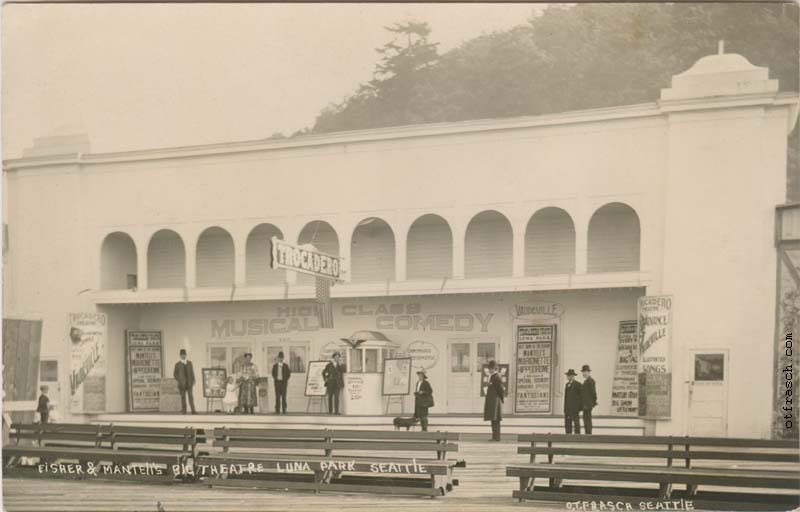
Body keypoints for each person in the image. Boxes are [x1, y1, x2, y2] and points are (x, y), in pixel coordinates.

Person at [483, 360, 504, 441]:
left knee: (496, 420)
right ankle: (494, 437)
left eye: (490, 368)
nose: (489, 370)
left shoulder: (497, 377)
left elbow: (501, 389)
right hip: (492, 402)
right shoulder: (493, 376)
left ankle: (497, 437)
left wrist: (501, 399)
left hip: (495, 401)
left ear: (494, 368)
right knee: (493, 419)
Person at [173, 349, 196, 415]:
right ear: (180, 355)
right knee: (183, 398)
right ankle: (184, 411)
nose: (183, 356)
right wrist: (179, 380)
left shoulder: (190, 363)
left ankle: (193, 411)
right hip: (182, 384)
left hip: (189, 383)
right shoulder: (177, 364)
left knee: (190, 397)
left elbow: (192, 372)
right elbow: (175, 374)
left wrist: (193, 380)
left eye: (184, 354)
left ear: (186, 355)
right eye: (182, 355)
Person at [564, 369, 582, 434]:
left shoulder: (578, 385)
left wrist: (579, 407)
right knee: (568, 423)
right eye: (567, 375)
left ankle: (577, 437)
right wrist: (565, 408)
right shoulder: (567, 385)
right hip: (568, 408)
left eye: (569, 375)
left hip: (575, 408)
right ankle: (568, 436)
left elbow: (581, 397)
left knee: (576, 423)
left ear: (573, 376)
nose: (568, 377)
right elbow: (566, 398)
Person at [580, 364, 598, 435]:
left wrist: (593, 402)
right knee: (586, 419)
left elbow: (593, 393)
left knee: (587, 419)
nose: (584, 373)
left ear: (588, 372)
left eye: (585, 372)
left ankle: (588, 434)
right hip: (585, 404)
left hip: (588, 404)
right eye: (583, 372)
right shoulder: (586, 381)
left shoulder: (590, 381)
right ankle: (587, 433)